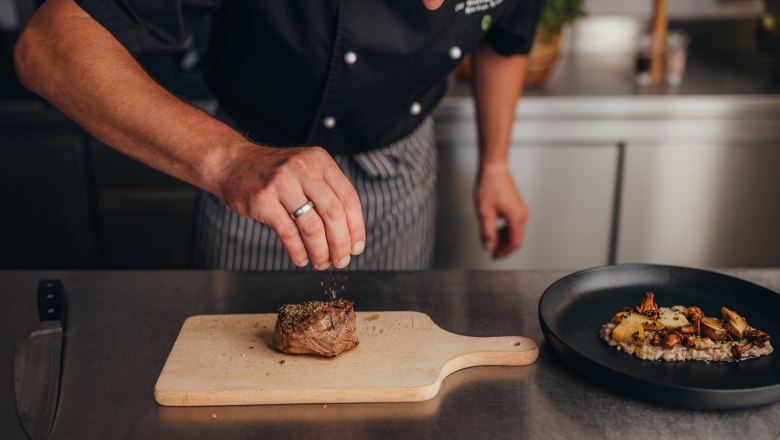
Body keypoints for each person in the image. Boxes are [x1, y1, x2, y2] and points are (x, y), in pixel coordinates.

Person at [14, 0, 541, 271]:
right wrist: (228, 160)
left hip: (404, 169)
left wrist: (495, 163)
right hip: (255, 178)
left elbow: (508, 40)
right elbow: (47, 43)